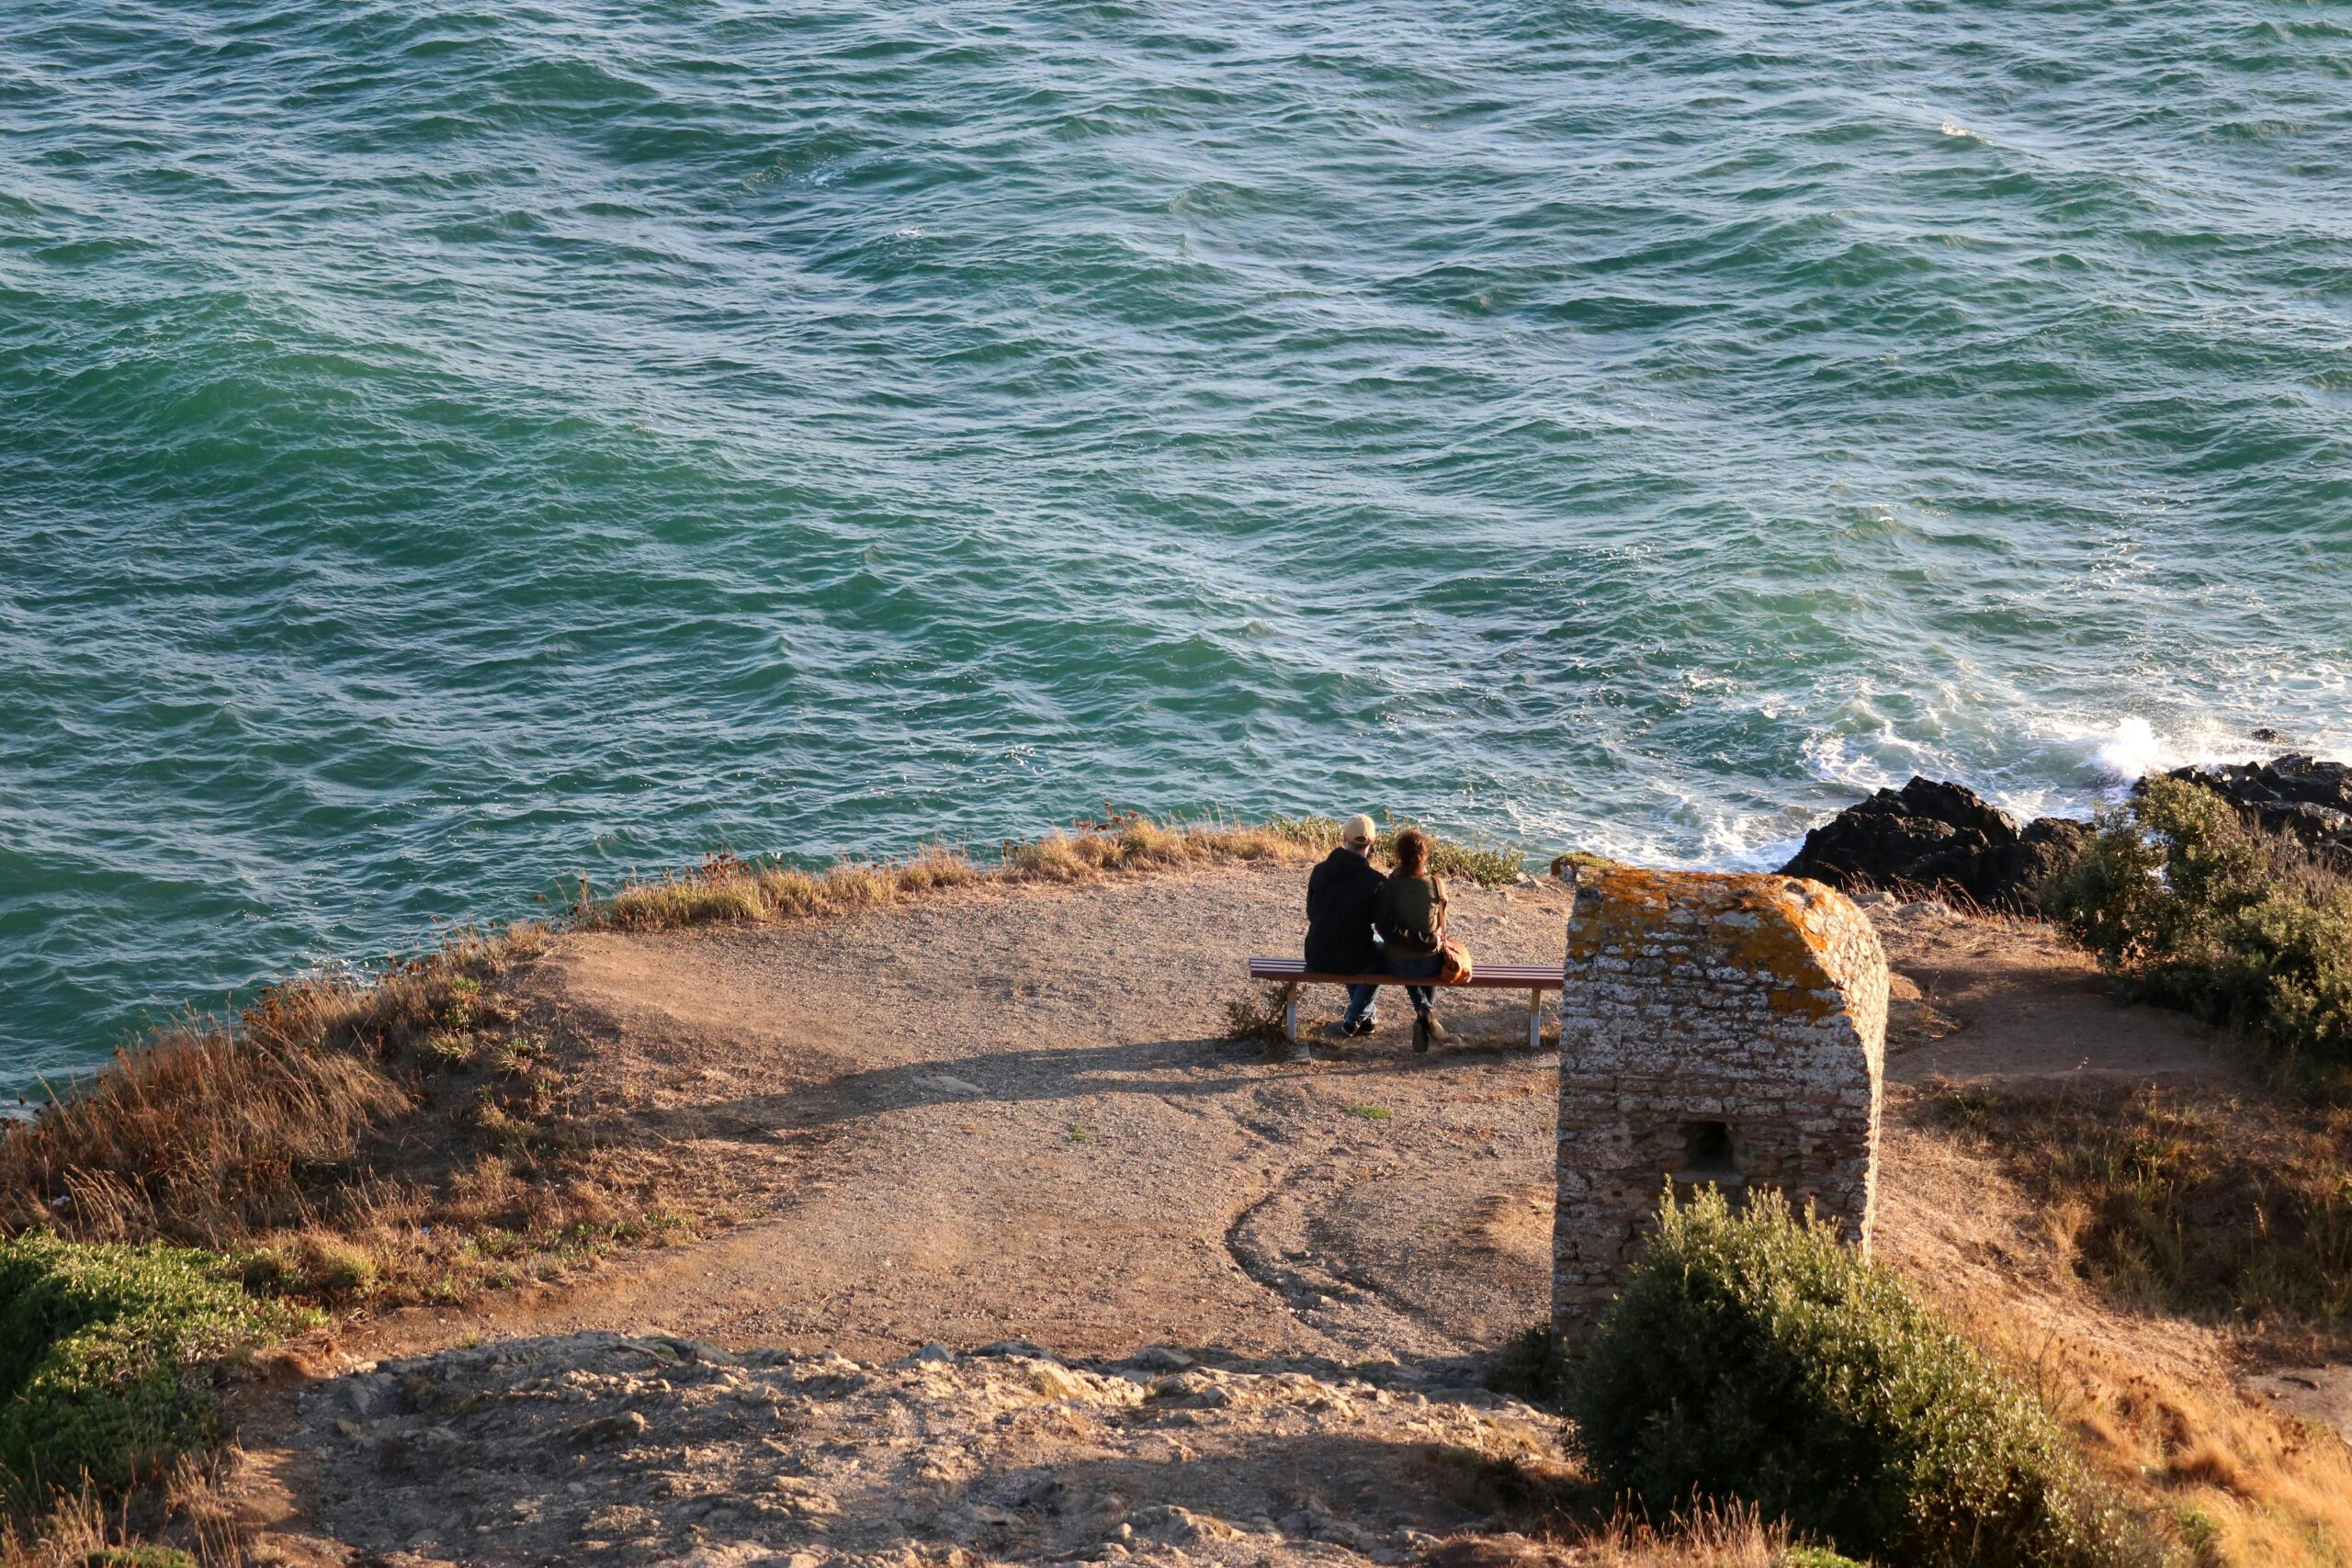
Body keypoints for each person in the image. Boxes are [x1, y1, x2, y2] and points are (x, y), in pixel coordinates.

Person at [1305, 814, 1385, 1036]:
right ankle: (1356, 1016)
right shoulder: (1376, 881)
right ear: (1373, 842)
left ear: (1343, 838)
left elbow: (1312, 913)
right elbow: (1383, 925)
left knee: (1356, 948)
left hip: (1317, 955)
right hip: (1354, 959)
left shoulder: (1319, 870)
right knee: (1381, 956)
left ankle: (1367, 1017)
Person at [1376, 827, 1450, 1053]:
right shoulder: (1436, 884)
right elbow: (1440, 925)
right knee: (1426, 960)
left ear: (1398, 855)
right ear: (1424, 856)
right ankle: (1425, 1013)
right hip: (1430, 963)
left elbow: (1383, 928)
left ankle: (1423, 1010)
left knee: (1402, 957)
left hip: (1397, 964)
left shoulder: (1389, 885)